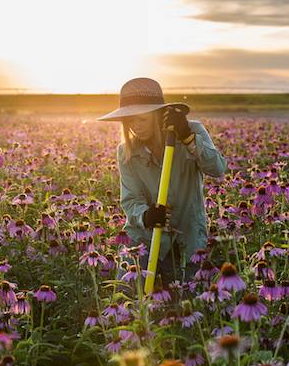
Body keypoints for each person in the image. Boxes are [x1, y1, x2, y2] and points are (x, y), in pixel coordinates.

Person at [98, 77, 228, 289]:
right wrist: (146, 215)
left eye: (142, 119)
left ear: (158, 115)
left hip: (188, 237)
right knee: (130, 295)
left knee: (187, 303)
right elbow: (130, 198)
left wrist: (187, 138)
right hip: (143, 240)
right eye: (130, 121)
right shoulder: (126, 151)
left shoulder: (192, 130)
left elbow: (217, 169)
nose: (136, 127)